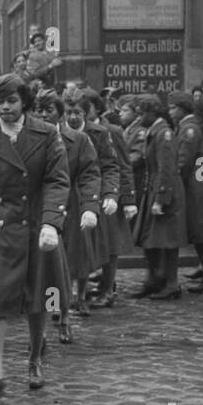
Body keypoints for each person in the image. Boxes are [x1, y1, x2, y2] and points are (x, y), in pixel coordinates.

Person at [0, 73, 70, 393]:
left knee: (38, 296)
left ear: (24, 102)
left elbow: (57, 179)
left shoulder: (46, 134)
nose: (5, 108)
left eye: (11, 101)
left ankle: (35, 357)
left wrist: (51, 222)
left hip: (36, 226)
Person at [45, 91, 101, 320]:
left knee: (76, 256)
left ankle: (78, 301)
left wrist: (90, 206)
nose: (43, 115)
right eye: (38, 110)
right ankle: (53, 307)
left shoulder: (78, 140)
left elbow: (90, 173)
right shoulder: (33, 140)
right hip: (44, 204)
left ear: (59, 115)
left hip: (72, 204)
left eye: (49, 110)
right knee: (47, 261)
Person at [80, 88, 136, 307]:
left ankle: (108, 290)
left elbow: (123, 166)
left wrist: (128, 199)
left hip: (108, 196)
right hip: (89, 194)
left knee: (111, 246)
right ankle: (100, 286)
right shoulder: (81, 129)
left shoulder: (110, 130)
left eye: (88, 107)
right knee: (94, 243)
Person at [131, 95, 186, 299]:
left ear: (152, 113)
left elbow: (167, 168)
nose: (139, 117)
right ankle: (154, 279)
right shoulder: (155, 132)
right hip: (153, 187)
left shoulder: (164, 134)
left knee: (167, 240)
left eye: (141, 112)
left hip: (164, 189)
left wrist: (161, 198)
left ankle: (172, 283)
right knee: (150, 238)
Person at [168, 93, 203, 293]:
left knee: (200, 233)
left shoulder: (189, 129)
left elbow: (185, 160)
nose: (170, 111)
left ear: (182, 108)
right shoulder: (188, 127)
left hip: (193, 187)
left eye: (173, 107)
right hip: (197, 184)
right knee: (200, 235)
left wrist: (175, 181)